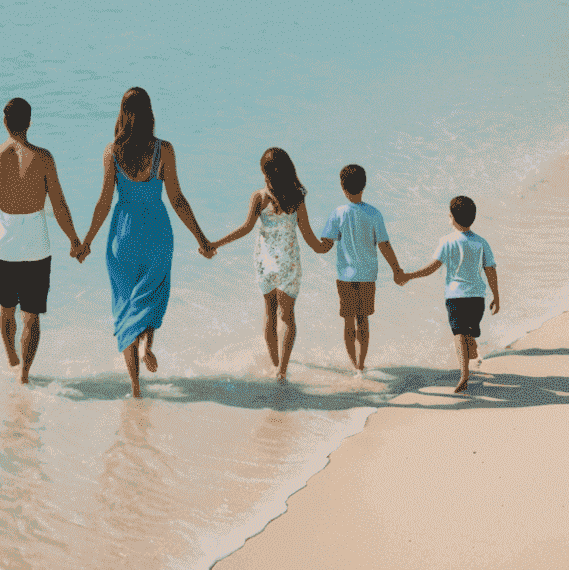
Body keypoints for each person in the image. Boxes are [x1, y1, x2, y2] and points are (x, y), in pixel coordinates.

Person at [80, 87, 213, 397]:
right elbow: (177, 199)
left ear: (122, 114)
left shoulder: (112, 151)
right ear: (150, 113)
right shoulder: (163, 150)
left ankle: (136, 387)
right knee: (152, 295)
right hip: (156, 232)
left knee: (125, 307)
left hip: (122, 236)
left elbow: (102, 203)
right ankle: (148, 345)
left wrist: (86, 242)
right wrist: (202, 238)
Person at [0, 97, 83, 385]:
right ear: (29, 122)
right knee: (31, 315)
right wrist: (74, 240)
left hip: (3, 243)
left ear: (4, 123)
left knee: (6, 308)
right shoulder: (44, 158)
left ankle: (11, 358)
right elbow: (59, 204)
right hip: (36, 242)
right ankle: (24, 373)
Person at [207, 148, 332, 380]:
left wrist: (216, 243)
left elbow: (245, 228)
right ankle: (282, 370)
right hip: (288, 264)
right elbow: (309, 237)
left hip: (265, 263)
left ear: (265, 173)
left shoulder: (260, 197)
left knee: (269, 314)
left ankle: (275, 364)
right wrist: (326, 245)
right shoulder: (297, 198)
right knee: (288, 316)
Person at [397, 195, 499, 393]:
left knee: (459, 334)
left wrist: (410, 275)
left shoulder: (447, 241)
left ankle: (465, 371)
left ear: (451, 217)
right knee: (465, 332)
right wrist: (496, 295)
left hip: (455, 297)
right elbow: (490, 270)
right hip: (477, 298)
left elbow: (433, 267)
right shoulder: (481, 242)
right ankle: (466, 368)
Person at [319, 164, 403, 373]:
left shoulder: (338, 213)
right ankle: (362, 364)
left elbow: (326, 245)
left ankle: (353, 363)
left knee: (348, 322)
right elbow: (384, 244)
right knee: (363, 320)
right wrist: (396, 270)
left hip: (345, 277)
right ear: (364, 185)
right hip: (367, 276)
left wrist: (308, 238)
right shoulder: (374, 214)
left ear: (342, 186)